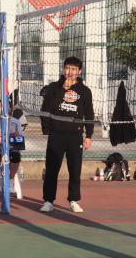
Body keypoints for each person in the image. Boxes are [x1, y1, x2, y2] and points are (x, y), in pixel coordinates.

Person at [38, 56, 94, 214]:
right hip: (56, 135)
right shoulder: (54, 88)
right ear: (63, 69)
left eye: (74, 69)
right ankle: (48, 200)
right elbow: (46, 108)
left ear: (79, 71)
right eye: (67, 68)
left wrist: (88, 135)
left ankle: (74, 200)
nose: (70, 72)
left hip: (75, 136)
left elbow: (89, 114)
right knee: (52, 169)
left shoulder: (85, 91)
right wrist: (47, 129)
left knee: (75, 170)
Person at [0, 100, 24, 180]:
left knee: (15, 156)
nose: (4, 108)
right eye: (1, 106)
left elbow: (20, 139)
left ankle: (11, 178)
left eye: (6, 106)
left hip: (12, 149)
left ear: (10, 108)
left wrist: (17, 136)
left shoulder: (16, 122)